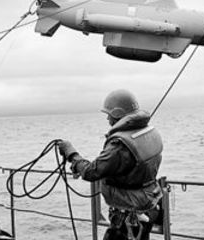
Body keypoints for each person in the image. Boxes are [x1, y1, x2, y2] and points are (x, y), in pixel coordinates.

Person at [59, 89, 163, 240]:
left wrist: (71, 153)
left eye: (109, 114)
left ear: (117, 113)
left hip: (128, 215)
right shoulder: (151, 133)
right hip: (149, 205)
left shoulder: (120, 145)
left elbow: (90, 172)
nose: (108, 118)